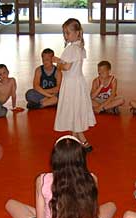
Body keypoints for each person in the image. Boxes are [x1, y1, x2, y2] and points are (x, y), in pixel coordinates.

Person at [5, 135, 116, 218]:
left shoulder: (43, 180)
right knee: (111, 206)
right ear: (81, 158)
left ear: (55, 159)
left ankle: (54, 214)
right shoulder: (91, 179)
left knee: (11, 204)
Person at [52, 18, 96, 152]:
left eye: (68, 33)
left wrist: (57, 62)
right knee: (75, 109)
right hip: (77, 82)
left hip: (71, 84)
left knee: (72, 108)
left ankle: (81, 140)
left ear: (77, 33)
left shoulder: (71, 49)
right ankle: (78, 139)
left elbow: (66, 67)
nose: (66, 36)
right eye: (64, 33)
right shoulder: (79, 47)